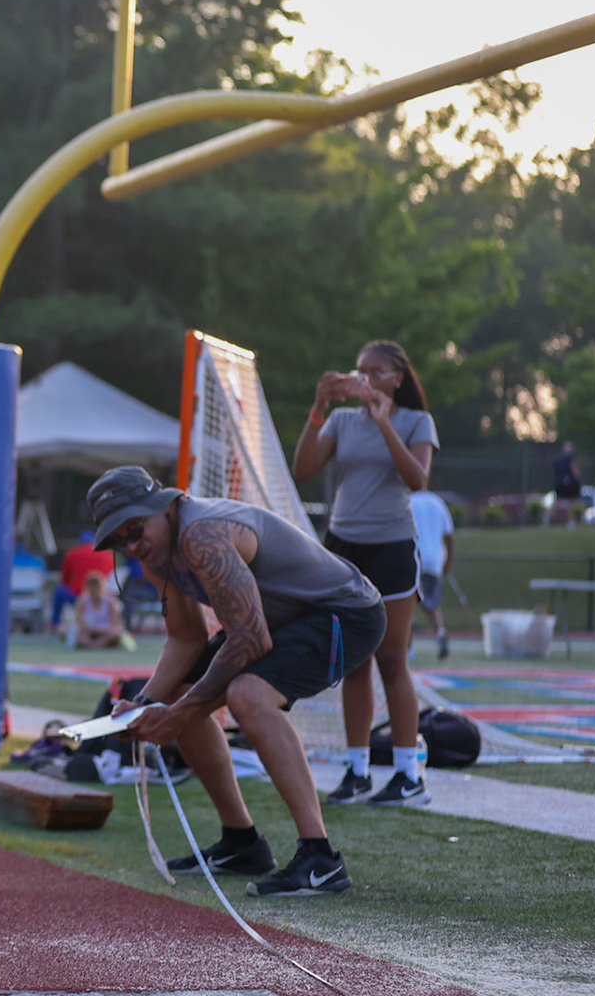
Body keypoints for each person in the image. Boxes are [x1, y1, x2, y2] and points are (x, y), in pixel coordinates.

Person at [89, 465, 385, 897]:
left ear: (164, 506)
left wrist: (177, 715)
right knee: (174, 694)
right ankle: (241, 842)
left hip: (346, 613)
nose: (132, 546)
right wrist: (148, 702)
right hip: (281, 620)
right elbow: (185, 638)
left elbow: (251, 639)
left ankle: (321, 860)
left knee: (248, 695)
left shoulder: (201, 536)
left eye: (135, 529)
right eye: (119, 540)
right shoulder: (156, 553)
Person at [292, 339, 439, 807]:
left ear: (398, 377)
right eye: (360, 372)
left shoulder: (417, 421)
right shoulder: (340, 421)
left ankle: (407, 776)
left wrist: (382, 421)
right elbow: (304, 469)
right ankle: (356, 772)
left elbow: (417, 479)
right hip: (343, 547)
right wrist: (318, 406)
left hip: (392, 547)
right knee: (351, 661)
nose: (366, 380)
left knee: (392, 660)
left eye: (376, 372)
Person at [408, 488, 454, 660]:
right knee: (432, 603)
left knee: (408, 604)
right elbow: (449, 536)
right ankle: (440, 632)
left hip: (413, 557)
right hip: (434, 560)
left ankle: (408, 646)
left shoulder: (408, 501)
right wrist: (448, 562)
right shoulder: (437, 502)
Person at [52, 530, 114, 633]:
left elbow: (64, 580)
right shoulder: (107, 554)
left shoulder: (72, 553)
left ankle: (54, 625)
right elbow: (112, 578)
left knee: (59, 591)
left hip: (78, 596)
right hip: (101, 597)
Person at [70, 573, 131, 650]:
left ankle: (96, 645)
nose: (93, 589)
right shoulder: (83, 602)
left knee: (116, 634)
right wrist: (90, 629)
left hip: (105, 632)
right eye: (91, 586)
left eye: (96, 586)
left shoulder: (110, 602)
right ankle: (97, 645)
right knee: (80, 637)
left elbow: (117, 624)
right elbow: (79, 622)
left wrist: (101, 630)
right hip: (89, 631)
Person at [551, 442, 583, 525]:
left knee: (558, 502)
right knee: (571, 502)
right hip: (569, 483)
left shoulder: (558, 459)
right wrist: (579, 480)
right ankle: (571, 521)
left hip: (559, 483)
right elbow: (575, 470)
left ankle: (548, 518)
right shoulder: (571, 458)